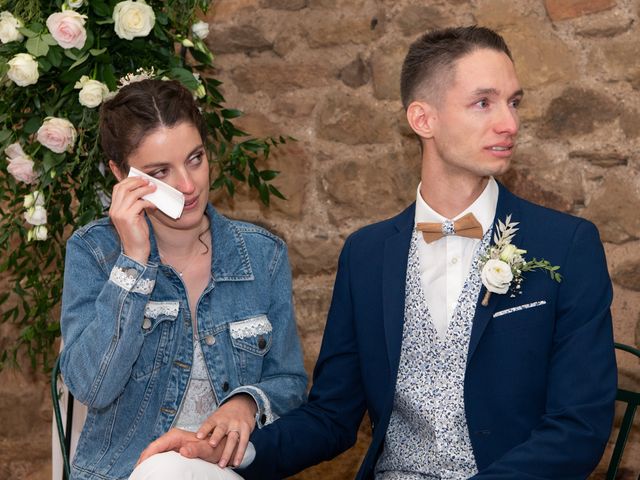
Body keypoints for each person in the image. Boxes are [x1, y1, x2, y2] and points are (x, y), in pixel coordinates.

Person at [140, 26, 618, 479]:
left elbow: (580, 427)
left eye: (513, 102)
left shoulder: (566, 245)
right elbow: (332, 415)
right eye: (482, 103)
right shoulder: (366, 255)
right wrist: (236, 451)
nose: (509, 122)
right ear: (422, 118)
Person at [58, 78, 307, 480]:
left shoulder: (262, 256)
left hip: (225, 471)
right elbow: (92, 387)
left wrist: (245, 402)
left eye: (195, 158)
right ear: (121, 174)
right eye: (161, 171)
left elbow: (290, 383)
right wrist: (134, 262)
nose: (189, 186)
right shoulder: (94, 253)